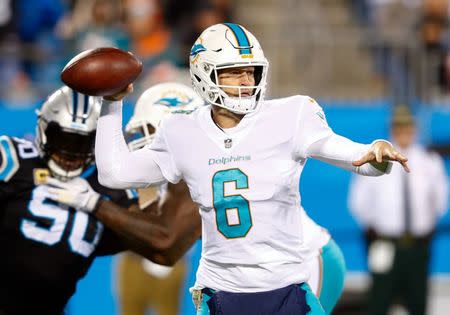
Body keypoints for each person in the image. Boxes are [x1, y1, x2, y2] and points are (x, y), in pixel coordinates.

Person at [93, 23, 409, 314]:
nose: (247, 81)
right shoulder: (181, 131)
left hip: (290, 280)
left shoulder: (290, 114)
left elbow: (350, 156)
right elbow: (115, 174)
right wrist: (111, 103)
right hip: (221, 289)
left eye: (252, 71)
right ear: (204, 73)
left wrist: (373, 152)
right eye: (234, 71)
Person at [0, 86, 135, 314]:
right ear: (44, 130)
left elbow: (158, 240)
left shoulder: (109, 186)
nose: (70, 154)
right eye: (62, 139)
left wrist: (96, 204)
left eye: (81, 144)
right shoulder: (12, 159)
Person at [348, 105, 448, 315]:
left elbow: (439, 200)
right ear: (392, 129)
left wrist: (426, 225)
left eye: (407, 127)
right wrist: (375, 228)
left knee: (418, 301)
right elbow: (359, 202)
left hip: (418, 245)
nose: (403, 133)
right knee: (380, 300)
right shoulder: (377, 160)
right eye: (399, 128)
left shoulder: (429, 162)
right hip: (385, 243)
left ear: (414, 129)